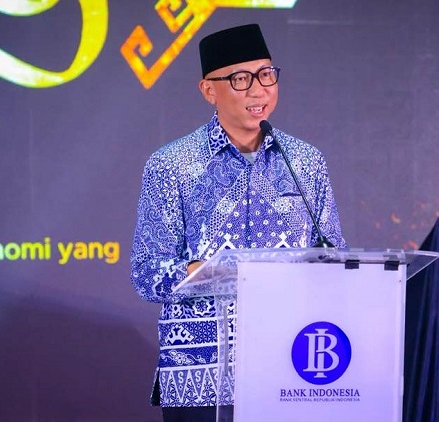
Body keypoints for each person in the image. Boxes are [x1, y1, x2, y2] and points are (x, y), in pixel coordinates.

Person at [130, 23, 346, 421]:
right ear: (208, 90)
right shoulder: (171, 165)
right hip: (202, 378)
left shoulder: (305, 162)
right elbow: (147, 274)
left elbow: (334, 258)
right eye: (241, 79)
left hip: (291, 369)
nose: (259, 90)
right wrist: (207, 272)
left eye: (266, 75)